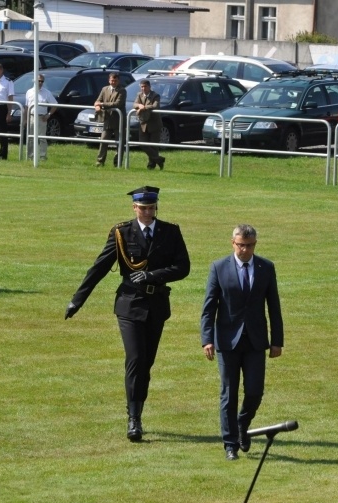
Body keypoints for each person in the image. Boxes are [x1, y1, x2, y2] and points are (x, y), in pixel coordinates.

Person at [65, 186, 190, 441]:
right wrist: (77, 301)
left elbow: (182, 267)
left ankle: (137, 409)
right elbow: (100, 267)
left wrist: (153, 275)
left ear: (156, 207)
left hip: (156, 305)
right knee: (135, 359)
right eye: (142, 208)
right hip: (129, 305)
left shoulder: (170, 232)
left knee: (146, 364)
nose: (147, 212)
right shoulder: (122, 232)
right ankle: (134, 420)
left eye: (151, 208)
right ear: (134, 208)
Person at [200, 224, 283, 461]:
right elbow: (209, 308)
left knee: (255, 392)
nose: (244, 249)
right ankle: (230, 444)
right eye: (240, 245)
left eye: (249, 245)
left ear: (255, 244)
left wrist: (277, 341)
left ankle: (242, 424)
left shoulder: (266, 267)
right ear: (232, 243)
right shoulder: (218, 268)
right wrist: (207, 339)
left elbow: (273, 306)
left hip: (256, 341)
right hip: (227, 341)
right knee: (229, 393)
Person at [94, 72, 127, 167]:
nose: (113, 82)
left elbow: (117, 104)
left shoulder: (122, 90)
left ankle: (118, 163)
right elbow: (98, 100)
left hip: (118, 121)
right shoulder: (104, 89)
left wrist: (102, 104)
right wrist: (97, 105)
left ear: (118, 81)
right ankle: (100, 162)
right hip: (107, 120)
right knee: (103, 141)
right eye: (112, 80)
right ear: (109, 80)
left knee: (120, 143)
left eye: (115, 80)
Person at [133, 79, 165, 170]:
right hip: (143, 123)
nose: (143, 88)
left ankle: (151, 165)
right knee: (142, 144)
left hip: (154, 124)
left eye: (145, 86)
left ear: (149, 87)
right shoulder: (139, 95)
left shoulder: (155, 95)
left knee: (153, 146)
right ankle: (159, 159)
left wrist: (143, 108)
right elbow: (134, 104)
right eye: (142, 87)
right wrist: (139, 106)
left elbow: (155, 106)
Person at [25, 73, 57, 161]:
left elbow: (55, 105)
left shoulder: (47, 93)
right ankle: (30, 156)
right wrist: (25, 119)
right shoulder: (29, 92)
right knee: (31, 137)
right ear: (34, 81)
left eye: (42, 81)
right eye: (39, 81)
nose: (40, 83)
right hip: (31, 117)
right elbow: (26, 107)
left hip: (42, 118)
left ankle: (43, 156)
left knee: (42, 138)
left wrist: (48, 115)